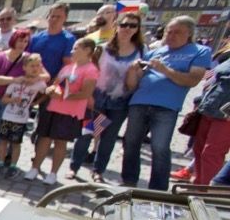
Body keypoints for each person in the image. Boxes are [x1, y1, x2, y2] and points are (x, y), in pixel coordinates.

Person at [122, 15, 214, 191]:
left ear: (189, 33)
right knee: (131, 142)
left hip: (166, 107)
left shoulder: (199, 51)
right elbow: (134, 83)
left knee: (160, 147)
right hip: (140, 101)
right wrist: (133, 71)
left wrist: (165, 70)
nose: (171, 35)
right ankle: (129, 181)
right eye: (168, 31)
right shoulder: (156, 51)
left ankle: (157, 189)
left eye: (176, 32)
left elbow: (193, 80)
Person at [67, 12, 145, 182]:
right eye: (124, 24)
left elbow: (133, 85)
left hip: (119, 103)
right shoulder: (103, 48)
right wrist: (88, 95)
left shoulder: (140, 52)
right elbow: (91, 72)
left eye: (132, 25)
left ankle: (98, 171)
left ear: (137, 29)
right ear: (117, 25)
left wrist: (133, 72)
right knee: (87, 133)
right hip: (98, 100)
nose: (127, 29)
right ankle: (74, 167)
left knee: (108, 139)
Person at [24, 38, 98, 185]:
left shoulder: (91, 70)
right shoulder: (67, 67)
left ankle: (53, 173)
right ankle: (35, 168)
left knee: (60, 142)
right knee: (44, 138)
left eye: (76, 48)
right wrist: (51, 89)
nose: (72, 51)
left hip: (69, 112)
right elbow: (56, 83)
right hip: (53, 108)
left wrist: (64, 96)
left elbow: (85, 93)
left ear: (87, 50)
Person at [0, 54, 46, 178]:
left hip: (21, 119)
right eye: (32, 66)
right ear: (25, 67)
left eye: (37, 66)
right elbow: (4, 99)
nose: (35, 69)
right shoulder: (16, 82)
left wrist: (36, 102)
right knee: (3, 141)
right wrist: (12, 100)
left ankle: (13, 166)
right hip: (7, 116)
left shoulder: (40, 84)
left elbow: (46, 93)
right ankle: (0, 162)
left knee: (16, 143)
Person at [190, 57, 230, 186]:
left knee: (211, 152)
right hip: (210, 107)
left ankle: (208, 191)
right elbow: (214, 81)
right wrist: (200, 100)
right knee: (198, 149)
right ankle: (197, 187)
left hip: (226, 115)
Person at [28, 3, 75, 102]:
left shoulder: (68, 39)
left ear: (65, 18)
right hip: (32, 82)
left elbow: (67, 64)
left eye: (58, 17)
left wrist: (53, 84)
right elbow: (27, 59)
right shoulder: (36, 37)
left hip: (52, 86)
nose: (54, 19)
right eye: (52, 16)